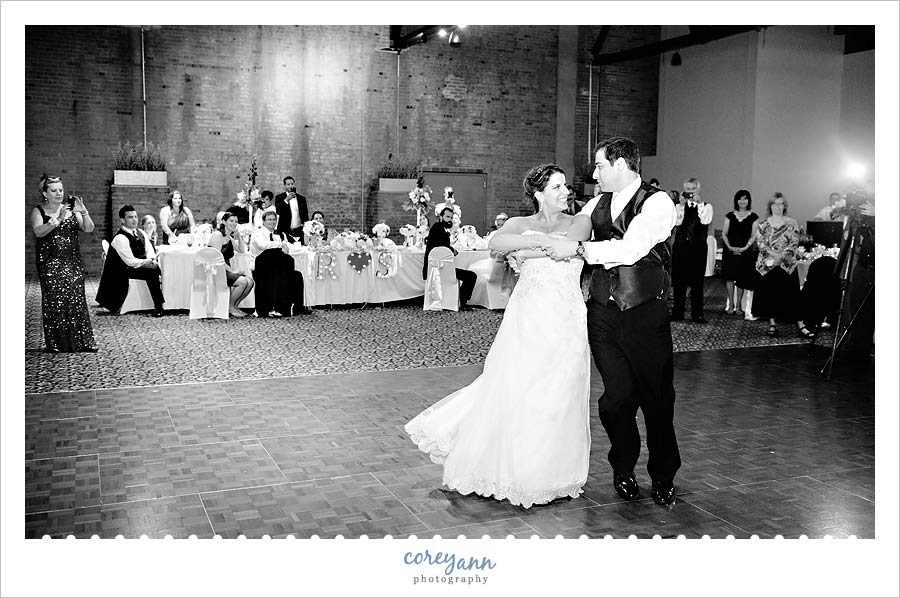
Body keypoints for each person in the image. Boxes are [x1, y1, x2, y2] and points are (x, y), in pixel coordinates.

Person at [405, 163, 591, 508]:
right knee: (517, 388)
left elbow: (573, 245)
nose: (567, 192)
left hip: (566, 320)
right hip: (527, 318)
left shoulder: (579, 221)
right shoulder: (520, 224)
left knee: (560, 392)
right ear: (538, 194)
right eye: (557, 187)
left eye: (566, 186)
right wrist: (537, 243)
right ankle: (517, 471)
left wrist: (525, 250)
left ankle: (550, 472)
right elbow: (498, 242)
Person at [546, 137, 681, 507]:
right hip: (603, 314)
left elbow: (630, 249)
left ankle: (663, 474)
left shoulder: (657, 202)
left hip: (645, 315)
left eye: (600, 166)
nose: (594, 173)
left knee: (656, 400)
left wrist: (577, 249)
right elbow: (568, 233)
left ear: (621, 165)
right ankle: (623, 468)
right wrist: (530, 248)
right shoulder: (596, 203)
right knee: (615, 400)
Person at [30, 175, 98, 352]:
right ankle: (57, 343)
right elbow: (38, 232)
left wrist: (83, 211)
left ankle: (82, 341)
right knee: (56, 301)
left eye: (60, 189)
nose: (59, 193)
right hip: (50, 263)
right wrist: (57, 219)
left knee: (76, 299)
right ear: (45, 193)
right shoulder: (39, 210)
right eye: (54, 190)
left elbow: (88, 228)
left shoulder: (71, 208)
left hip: (72, 261)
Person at [752, 193, 814, 338]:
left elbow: (794, 243)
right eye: (775, 204)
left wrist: (782, 256)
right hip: (768, 265)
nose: (778, 206)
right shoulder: (763, 223)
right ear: (770, 206)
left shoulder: (792, 223)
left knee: (792, 296)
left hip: (787, 265)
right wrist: (774, 255)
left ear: (785, 206)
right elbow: (761, 243)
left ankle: (801, 325)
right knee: (770, 295)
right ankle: (772, 323)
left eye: (781, 204)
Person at [96, 205, 165, 317]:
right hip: (122, 271)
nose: (134, 220)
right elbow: (130, 261)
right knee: (152, 271)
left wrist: (151, 259)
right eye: (130, 217)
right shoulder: (120, 238)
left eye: (136, 216)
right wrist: (146, 263)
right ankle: (159, 306)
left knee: (156, 268)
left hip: (137, 266)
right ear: (123, 220)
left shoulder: (141, 233)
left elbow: (149, 249)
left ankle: (166, 301)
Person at [250, 210, 312, 317]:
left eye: (274, 220)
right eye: (269, 219)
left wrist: (282, 246)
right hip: (261, 268)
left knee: (297, 275)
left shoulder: (277, 235)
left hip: (276, 267)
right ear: (263, 221)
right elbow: (263, 245)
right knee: (276, 266)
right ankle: (273, 308)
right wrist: (280, 244)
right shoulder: (258, 233)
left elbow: (285, 251)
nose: (272, 222)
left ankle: (297, 307)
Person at [671, 177, 713, 323]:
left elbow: (705, 220)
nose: (690, 192)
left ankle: (698, 314)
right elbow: (677, 222)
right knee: (679, 282)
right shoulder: (678, 206)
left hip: (698, 249)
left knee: (697, 283)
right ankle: (678, 313)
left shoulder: (707, 206)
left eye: (692, 189)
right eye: (687, 189)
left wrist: (699, 203)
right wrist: (681, 206)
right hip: (681, 247)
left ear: (698, 190)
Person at [422, 207, 477, 311]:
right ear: (441, 217)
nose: (450, 220)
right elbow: (440, 245)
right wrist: (452, 250)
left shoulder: (441, 228)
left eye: (451, 217)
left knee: (469, 275)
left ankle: (460, 300)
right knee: (471, 276)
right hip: (439, 269)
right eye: (447, 217)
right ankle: (462, 301)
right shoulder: (438, 228)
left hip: (439, 268)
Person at [208, 211, 255, 318]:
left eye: (236, 221)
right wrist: (233, 271)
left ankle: (234, 306)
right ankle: (230, 307)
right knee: (243, 282)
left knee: (250, 282)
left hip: (225, 268)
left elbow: (242, 250)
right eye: (231, 221)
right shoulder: (217, 235)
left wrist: (238, 235)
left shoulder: (229, 237)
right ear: (224, 221)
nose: (234, 223)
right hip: (216, 268)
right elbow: (217, 258)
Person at [721, 190, 759, 315]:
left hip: (746, 251)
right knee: (730, 278)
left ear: (749, 201)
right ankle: (730, 305)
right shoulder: (729, 216)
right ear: (736, 201)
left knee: (742, 278)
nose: (742, 201)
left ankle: (738, 306)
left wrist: (745, 247)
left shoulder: (754, 217)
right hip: (730, 251)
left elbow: (754, 235)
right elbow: (724, 233)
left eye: (745, 199)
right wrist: (730, 247)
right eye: (740, 199)